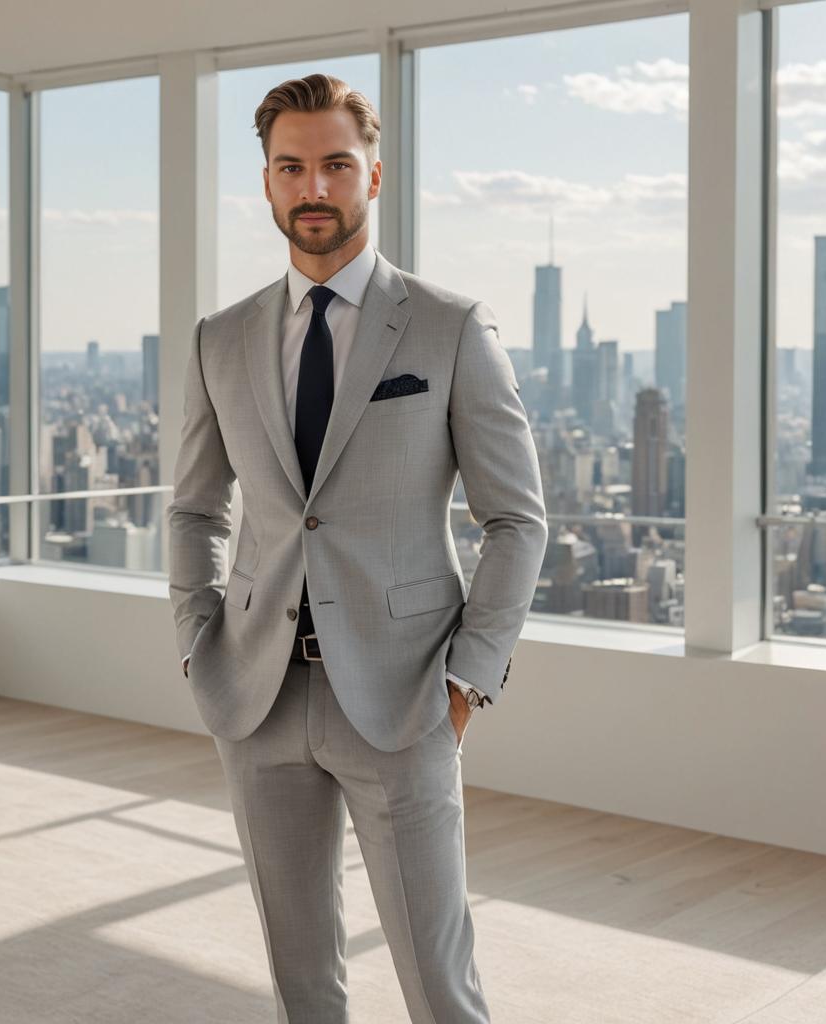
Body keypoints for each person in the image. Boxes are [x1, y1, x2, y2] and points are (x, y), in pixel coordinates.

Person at [167, 72, 547, 1024]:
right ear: (266, 184)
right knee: (302, 983)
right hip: (255, 695)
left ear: (373, 175)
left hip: (405, 695)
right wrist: (195, 642)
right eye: (292, 167)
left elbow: (517, 519)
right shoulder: (221, 338)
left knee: (438, 985)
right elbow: (193, 510)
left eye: (337, 164)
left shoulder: (449, 326)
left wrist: (468, 683)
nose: (315, 188)